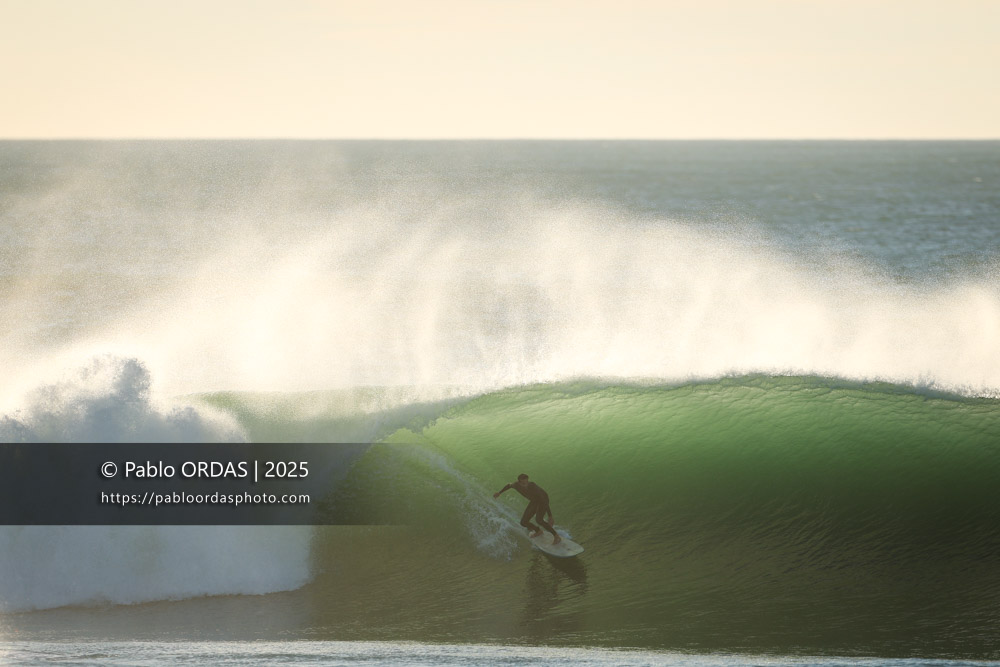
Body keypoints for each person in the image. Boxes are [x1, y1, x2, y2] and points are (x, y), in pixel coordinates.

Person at [493, 473, 561, 544]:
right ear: (519, 482)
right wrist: (499, 493)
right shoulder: (516, 485)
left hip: (543, 500)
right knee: (523, 522)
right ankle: (538, 531)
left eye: (526, 482)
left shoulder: (532, 486)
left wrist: (550, 516)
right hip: (534, 501)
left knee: (539, 520)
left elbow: (543, 499)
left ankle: (556, 536)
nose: (525, 485)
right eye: (523, 483)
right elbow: (508, 485)